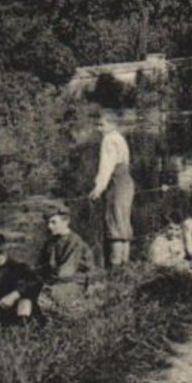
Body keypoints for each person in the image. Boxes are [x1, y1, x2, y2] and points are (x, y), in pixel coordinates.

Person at [88, 113, 135, 267]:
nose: (98, 128)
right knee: (123, 224)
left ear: (112, 125)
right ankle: (124, 265)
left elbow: (106, 167)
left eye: (101, 125)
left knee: (115, 224)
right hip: (126, 183)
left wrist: (98, 188)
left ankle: (116, 266)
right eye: (97, 125)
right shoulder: (120, 138)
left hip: (117, 184)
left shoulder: (109, 139)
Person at [36, 208, 99, 317]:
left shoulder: (74, 241)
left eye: (53, 222)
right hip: (57, 279)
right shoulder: (51, 242)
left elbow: (66, 272)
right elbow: (40, 266)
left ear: (66, 221)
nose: (49, 226)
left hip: (75, 281)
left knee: (50, 295)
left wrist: (46, 280)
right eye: (48, 223)